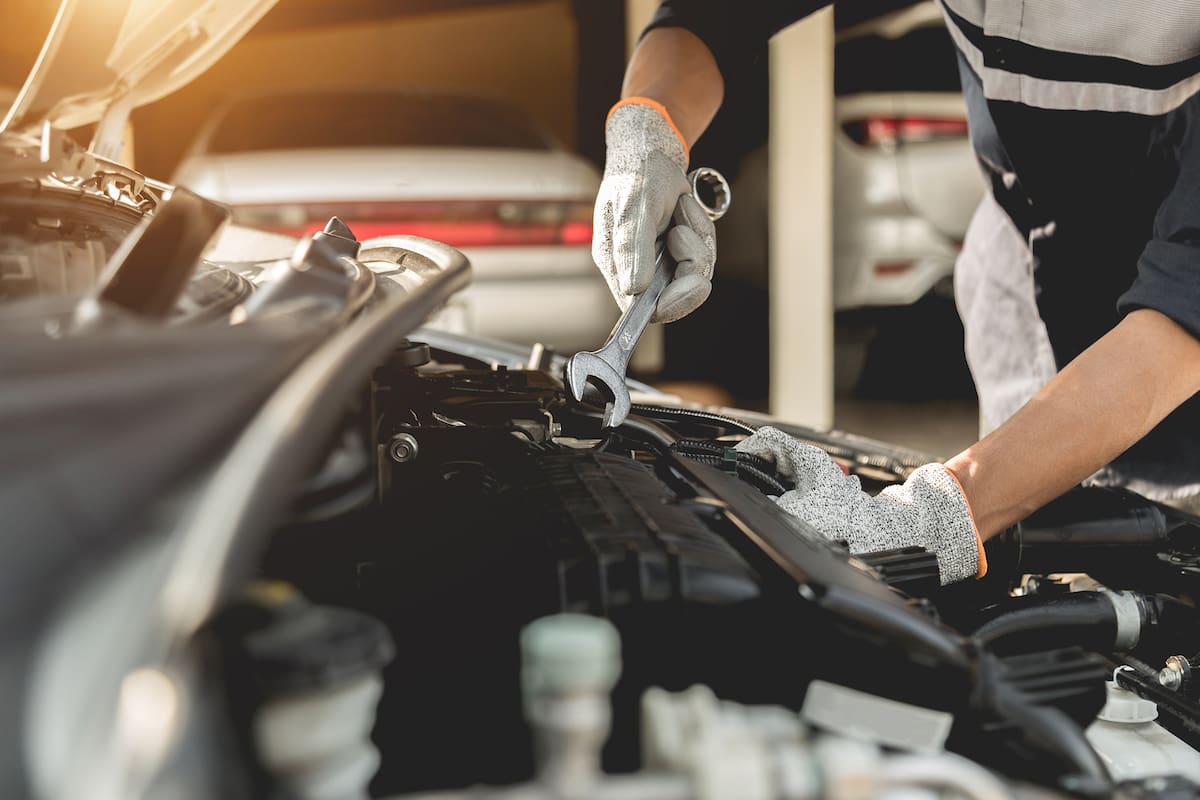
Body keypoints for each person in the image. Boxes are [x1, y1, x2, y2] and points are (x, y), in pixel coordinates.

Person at [590, 1, 1200, 584]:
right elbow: (715, 15)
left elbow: (1182, 310)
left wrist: (934, 515)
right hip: (1024, 266)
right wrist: (647, 131)